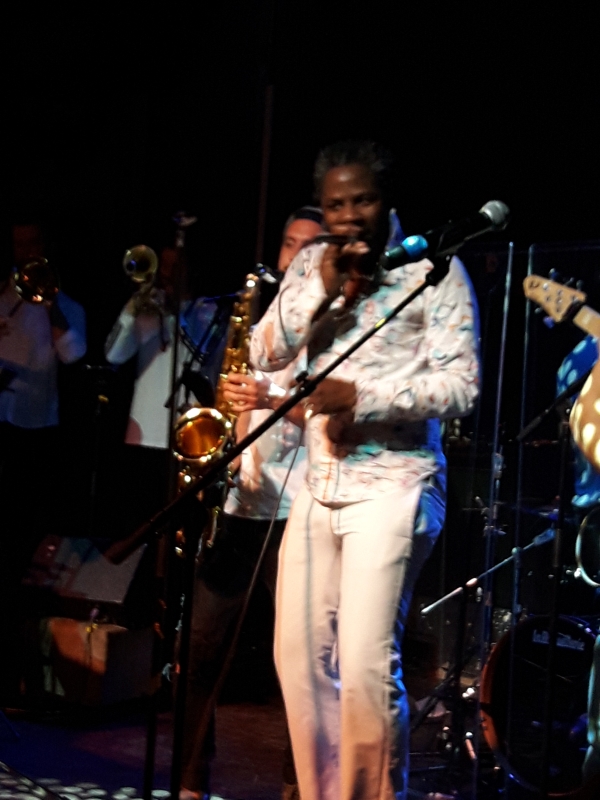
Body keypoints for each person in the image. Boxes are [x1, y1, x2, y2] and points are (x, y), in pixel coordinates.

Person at [250, 141, 480, 800]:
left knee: (363, 663)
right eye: (335, 205)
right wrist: (319, 289)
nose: (349, 216)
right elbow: (265, 352)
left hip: (396, 485)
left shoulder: (434, 270)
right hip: (320, 482)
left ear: (387, 200)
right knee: (297, 660)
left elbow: (463, 385)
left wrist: (363, 396)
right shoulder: (311, 265)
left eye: (363, 200)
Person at [179, 207, 323, 800]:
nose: (294, 257)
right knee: (198, 645)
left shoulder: (334, 325)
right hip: (242, 502)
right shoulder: (263, 321)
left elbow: (332, 413)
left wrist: (271, 394)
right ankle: (190, 778)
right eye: (288, 243)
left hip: (300, 509)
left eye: (308, 245)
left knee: (301, 661)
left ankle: (299, 781)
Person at [0, 220, 86, 705]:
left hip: (35, 431)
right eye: (18, 244)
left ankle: (23, 654)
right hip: (2, 420)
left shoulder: (66, 305)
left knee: (22, 541)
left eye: (31, 243)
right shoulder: (2, 299)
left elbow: (74, 355)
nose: (23, 252)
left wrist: (49, 305)